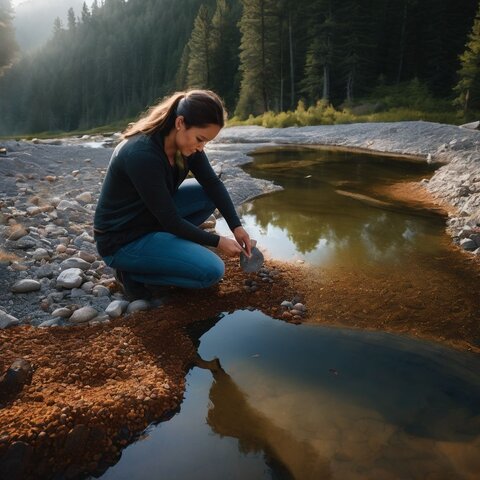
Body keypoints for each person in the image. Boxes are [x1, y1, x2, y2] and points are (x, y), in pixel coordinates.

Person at [93, 89, 251, 300]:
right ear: (180, 123)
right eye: (200, 139)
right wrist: (217, 241)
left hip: (148, 217)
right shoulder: (142, 154)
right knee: (212, 271)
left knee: (206, 194)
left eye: (206, 142)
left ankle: (162, 250)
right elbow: (171, 221)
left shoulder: (184, 146)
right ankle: (132, 274)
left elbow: (212, 183)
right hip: (121, 240)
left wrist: (236, 226)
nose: (201, 147)